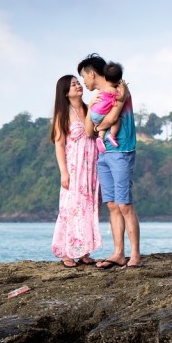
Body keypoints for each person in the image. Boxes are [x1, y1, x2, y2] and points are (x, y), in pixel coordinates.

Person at [77, 53, 142, 269]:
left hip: (121, 150)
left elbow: (113, 118)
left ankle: (135, 255)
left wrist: (98, 125)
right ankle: (118, 253)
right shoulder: (98, 98)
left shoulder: (119, 89)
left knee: (124, 204)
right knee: (113, 204)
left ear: (92, 73)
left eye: (84, 77)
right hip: (103, 153)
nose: (84, 82)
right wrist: (90, 115)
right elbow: (89, 131)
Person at [50, 74, 101, 267]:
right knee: (71, 207)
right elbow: (59, 144)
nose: (78, 86)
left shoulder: (88, 108)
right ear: (65, 92)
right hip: (74, 166)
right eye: (73, 85)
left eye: (78, 83)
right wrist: (64, 172)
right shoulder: (62, 114)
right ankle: (66, 251)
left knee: (89, 206)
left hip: (91, 165)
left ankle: (84, 251)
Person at [88, 62, 124, 153]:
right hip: (101, 113)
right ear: (118, 79)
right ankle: (112, 135)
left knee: (102, 124)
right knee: (117, 120)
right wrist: (123, 87)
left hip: (93, 113)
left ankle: (100, 138)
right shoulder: (113, 90)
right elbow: (121, 98)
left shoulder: (102, 89)